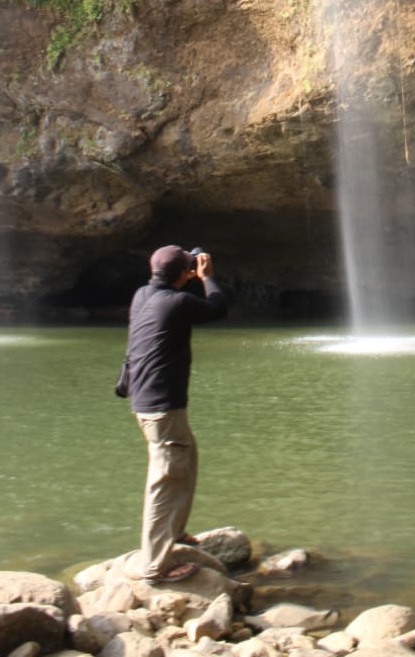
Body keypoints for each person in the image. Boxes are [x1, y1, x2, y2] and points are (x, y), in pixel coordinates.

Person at [125, 244, 228, 584]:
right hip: (161, 406)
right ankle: (154, 568)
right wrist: (207, 278)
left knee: (187, 459)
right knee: (166, 481)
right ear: (185, 274)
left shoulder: (142, 294)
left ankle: (177, 532)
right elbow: (217, 308)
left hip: (147, 400)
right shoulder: (178, 301)